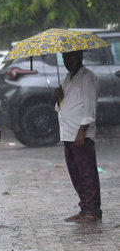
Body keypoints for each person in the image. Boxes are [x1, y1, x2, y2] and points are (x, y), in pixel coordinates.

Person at [54, 50, 102, 223]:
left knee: (87, 173)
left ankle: (93, 210)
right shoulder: (68, 78)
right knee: (76, 174)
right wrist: (59, 98)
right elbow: (63, 107)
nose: (67, 60)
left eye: (71, 56)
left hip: (80, 134)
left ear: (80, 56)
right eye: (65, 57)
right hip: (68, 134)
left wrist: (81, 132)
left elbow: (90, 108)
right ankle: (84, 208)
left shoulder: (87, 78)